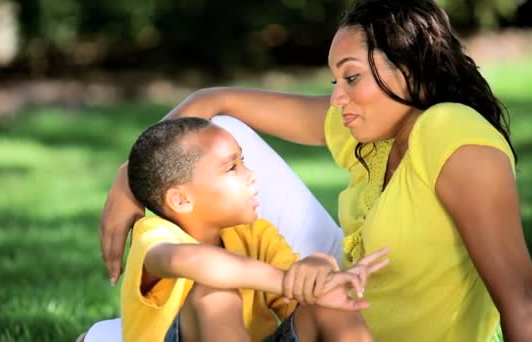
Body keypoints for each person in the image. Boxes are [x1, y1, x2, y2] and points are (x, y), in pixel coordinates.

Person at [99, 0, 532, 341]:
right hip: (327, 307)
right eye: (335, 82)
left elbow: (521, 300)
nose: (338, 97)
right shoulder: (371, 129)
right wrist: (132, 180)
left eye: (352, 77)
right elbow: (217, 100)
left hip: (349, 319)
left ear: (409, 66)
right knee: (218, 135)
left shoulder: (451, 131)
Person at [120, 117, 389, 341]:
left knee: (328, 304)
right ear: (181, 200)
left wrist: (319, 267)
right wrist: (287, 280)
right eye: (231, 168)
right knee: (214, 293)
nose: (251, 174)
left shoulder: (256, 235)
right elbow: (199, 262)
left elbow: (302, 295)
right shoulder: (154, 235)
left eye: (244, 161)